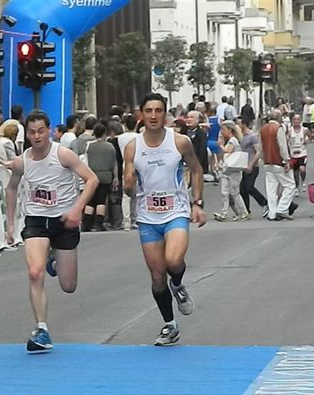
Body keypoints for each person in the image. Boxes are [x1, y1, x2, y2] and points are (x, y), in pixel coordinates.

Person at [5, 110, 99, 353]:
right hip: (36, 221)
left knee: (68, 285)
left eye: (41, 131)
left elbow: (92, 180)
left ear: (50, 131)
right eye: (32, 132)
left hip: (64, 221)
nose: (36, 136)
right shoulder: (21, 161)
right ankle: (42, 329)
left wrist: (77, 209)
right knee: (35, 273)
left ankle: (54, 260)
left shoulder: (63, 154)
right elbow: (11, 189)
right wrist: (10, 224)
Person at [123, 93, 206, 346]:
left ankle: (178, 285)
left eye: (158, 110)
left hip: (176, 212)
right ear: (141, 114)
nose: (153, 116)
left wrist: (197, 203)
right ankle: (170, 324)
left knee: (173, 260)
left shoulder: (179, 142)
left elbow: (196, 169)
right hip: (148, 217)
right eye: (148, 111)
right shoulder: (132, 147)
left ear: (165, 114)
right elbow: (128, 186)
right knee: (158, 276)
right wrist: (128, 184)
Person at [260, 109, 296, 221]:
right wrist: (286, 160)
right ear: (278, 118)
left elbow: (261, 147)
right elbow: (282, 146)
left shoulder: (263, 129)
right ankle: (282, 208)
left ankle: (272, 213)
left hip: (267, 162)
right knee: (290, 185)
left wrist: (263, 158)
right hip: (278, 161)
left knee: (271, 189)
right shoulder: (278, 128)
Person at [83, 123, 117, 232]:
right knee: (101, 200)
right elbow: (114, 163)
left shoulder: (90, 146)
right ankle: (99, 224)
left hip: (92, 175)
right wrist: (115, 177)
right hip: (106, 176)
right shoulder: (110, 146)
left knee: (91, 201)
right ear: (104, 133)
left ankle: (86, 224)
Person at [214, 121, 250, 222]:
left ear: (229, 130)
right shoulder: (230, 140)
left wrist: (220, 145)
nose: (222, 132)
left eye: (223, 130)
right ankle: (224, 212)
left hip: (233, 171)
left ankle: (244, 212)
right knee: (224, 192)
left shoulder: (233, 140)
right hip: (227, 170)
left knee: (234, 192)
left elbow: (228, 151)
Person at [239, 118, 268, 217]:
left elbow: (258, 152)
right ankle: (246, 210)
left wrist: (251, 164)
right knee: (243, 189)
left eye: (239, 123)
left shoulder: (252, 136)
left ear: (244, 124)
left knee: (249, 187)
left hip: (253, 166)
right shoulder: (242, 136)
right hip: (243, 165)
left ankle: (264, 202)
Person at [287, 114, 309, 194]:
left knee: (302, 169)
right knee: (295, 173)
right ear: (292, 121)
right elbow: (287, 140)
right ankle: (296, 187)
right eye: (295, 119)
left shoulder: (304, 130)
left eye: (298, 119)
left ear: (300, 120)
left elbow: (310, 136)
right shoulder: (290, 130)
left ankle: (303, 181)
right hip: (293, 154)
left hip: (302, 153)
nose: (296, 121)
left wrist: (307, 140)